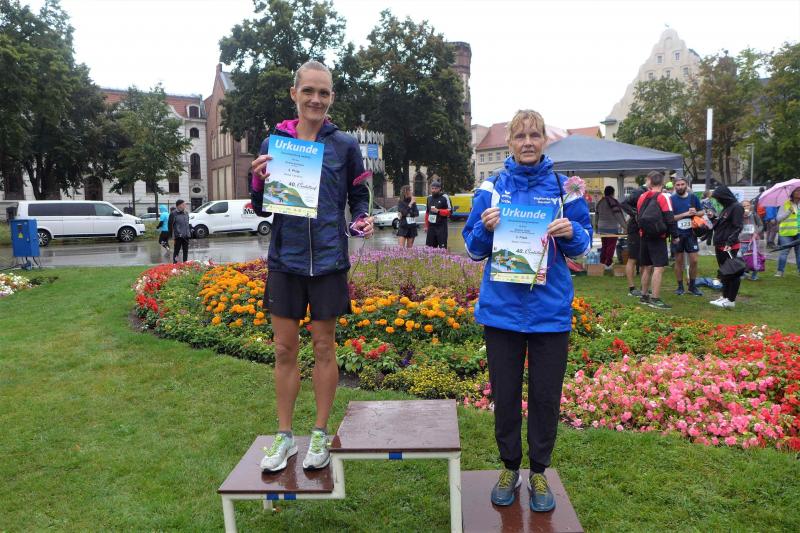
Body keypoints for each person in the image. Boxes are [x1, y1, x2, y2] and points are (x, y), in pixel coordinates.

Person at [463, 110, 592, 513]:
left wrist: (572, 232)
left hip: (549, 312)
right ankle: (509, 468)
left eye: (535, 135)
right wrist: (485, 228)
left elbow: (584, 246)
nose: (528, 142)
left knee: (545, 397)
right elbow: (472, 248)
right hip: (501, 313)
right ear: (510, 143)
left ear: (544, 141)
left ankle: (538, 471)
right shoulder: (491, 188)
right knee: (505, 396)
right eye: (520, 136)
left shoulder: (566, 189)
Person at [249, 60, 373, 473]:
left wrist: (361, 218)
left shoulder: (345, 145)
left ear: (331, 97)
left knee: (323, 347)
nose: (316, 99)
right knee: (284, 349)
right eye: (309, 91)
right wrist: (257, 180)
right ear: (294, 94)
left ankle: (319, 432)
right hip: (286, 260)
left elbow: (359, 194)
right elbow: (263, 206)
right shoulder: (275, 143)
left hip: (329, 260)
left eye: (323, 92)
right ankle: (284, 436)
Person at [636, 171, 678, 309]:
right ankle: (655, 298)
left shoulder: (642, 196)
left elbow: (639, 216)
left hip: (644, 235)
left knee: (647, 266)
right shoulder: (663, 197)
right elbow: (670, 218)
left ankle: (643, 296)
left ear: (649, 181)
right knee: (659, 267)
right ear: (662, 182)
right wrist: (675, 236)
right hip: (658, 236)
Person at [709, 185, 744, 308]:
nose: (718, 201)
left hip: (729, 246)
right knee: (725, 272)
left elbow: (738, 227)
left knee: (732, 273)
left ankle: (731, 300)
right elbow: (722, 225)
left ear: (724, 196)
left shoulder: (737, 207)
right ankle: (724, 297)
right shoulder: (726, 208)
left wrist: (729, 242)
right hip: (720, 245)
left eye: (718, 198)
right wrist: (713, 218)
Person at [670, 176, 704, 296]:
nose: (680, 187)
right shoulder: (671, 199)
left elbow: (702, 212)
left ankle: (692, 286)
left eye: (682, 184)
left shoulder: (693, 197)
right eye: (678, 185)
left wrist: (696, 213)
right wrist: (685, 214)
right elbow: (670, 218)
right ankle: (680, 287)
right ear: (675, 186)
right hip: (677, 233)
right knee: (679, 261)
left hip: (691, 233)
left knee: (694, 260)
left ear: (686, 185)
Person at [620, 185, 646, 296]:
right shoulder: (639, 191)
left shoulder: (653, 193)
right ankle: (632, 288)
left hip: (645, 229)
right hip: (634, 230)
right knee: (633, 258)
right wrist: (635, 213)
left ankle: (644, 287)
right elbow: (623, 203)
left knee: (645, 260)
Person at [594, 186, 627, 269]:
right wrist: (625, 227)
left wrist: (596, 228)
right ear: (613, 193)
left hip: (601, 228)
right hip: (611, 228)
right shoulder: (613, 201)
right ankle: (608, 264)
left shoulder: (600, 202)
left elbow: (596, 217)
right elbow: (618, 215)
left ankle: (602, 262)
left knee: (604, 245)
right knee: (611, 246)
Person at [775, 186, 800, 277]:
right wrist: (788, 212)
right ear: (792, 193)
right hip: (786, 233)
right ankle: (780, 271)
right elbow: (778, 219)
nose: (799, 192)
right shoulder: (785, 204)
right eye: (797, 190)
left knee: (799, 253)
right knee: (784, 252)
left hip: (799, 232)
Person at [739, 199, 763, 281]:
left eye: (747, 205)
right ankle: (743, 273)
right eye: (744, 206)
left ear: (750, 206)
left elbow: (761, 225)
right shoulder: (739, 216)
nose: (746, 207)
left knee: (755, 257)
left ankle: (754, 275)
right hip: (743, 240)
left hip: (754, 240)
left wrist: (756, 233)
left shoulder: (754, 214)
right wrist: (742, 216)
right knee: (742, 258)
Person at [425, 181, 452, 248]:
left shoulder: (444, 197)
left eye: (435, 188)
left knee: (442, 249)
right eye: (432, 188)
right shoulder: (429, 198)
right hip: (431, 227)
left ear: (439, 188)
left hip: (441, 227)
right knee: (429, 249)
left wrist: (438, 211)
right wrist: (426, 226)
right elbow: (427, 213)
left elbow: (449, 212)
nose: (433, 190)